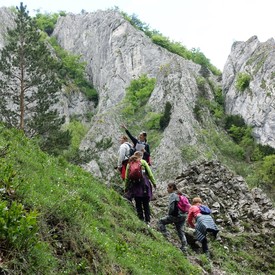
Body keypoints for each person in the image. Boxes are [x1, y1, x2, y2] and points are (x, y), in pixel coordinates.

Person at [125, 151, 156, 226]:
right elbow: (150, 174)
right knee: (146, 204)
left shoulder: (130, 163)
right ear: (141, 156)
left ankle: (141, 219)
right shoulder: (143, 162)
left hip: (135, 187)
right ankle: (147, 221)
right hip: (144, 185)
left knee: (138, 203)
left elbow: (127, 177)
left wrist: (126, 187)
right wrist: (154, 183)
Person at [158, 183, 188, 254]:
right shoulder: (181, 194)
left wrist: (169, 214)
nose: (167, 189)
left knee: (161, 221)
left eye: (168, 188)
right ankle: (184, 248)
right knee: (180, 231)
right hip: (183, 215)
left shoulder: (173, 195)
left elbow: (171, 207)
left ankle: (165, 236)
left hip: (176, 215)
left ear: (171, 188)